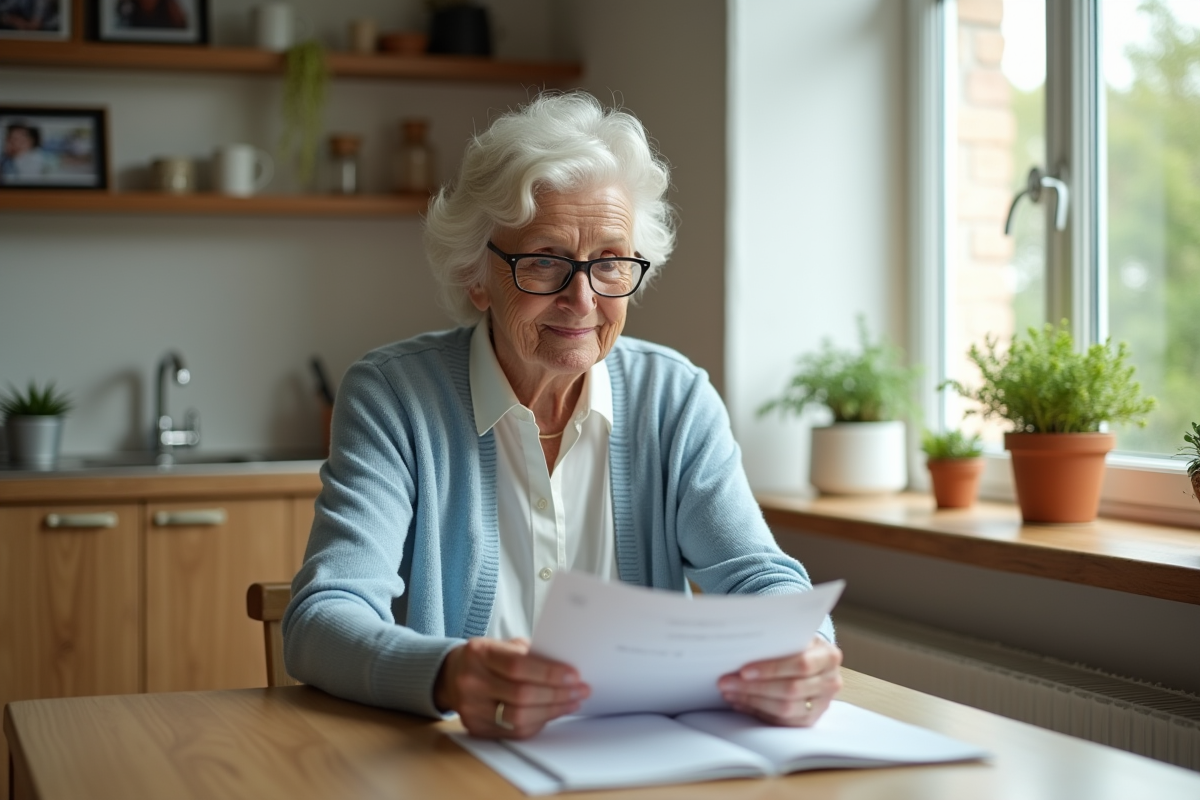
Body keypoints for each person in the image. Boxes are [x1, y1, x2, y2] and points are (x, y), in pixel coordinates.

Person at [283, 92, 843, 739]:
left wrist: (802, 646)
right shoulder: (395, 397)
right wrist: (447, 672)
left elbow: (755, 573)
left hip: (640, 765)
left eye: (609, 262)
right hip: (453, 765)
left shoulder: (676, 396)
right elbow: (323, 616)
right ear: (476, 274)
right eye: (544, 261)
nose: (582, 299)